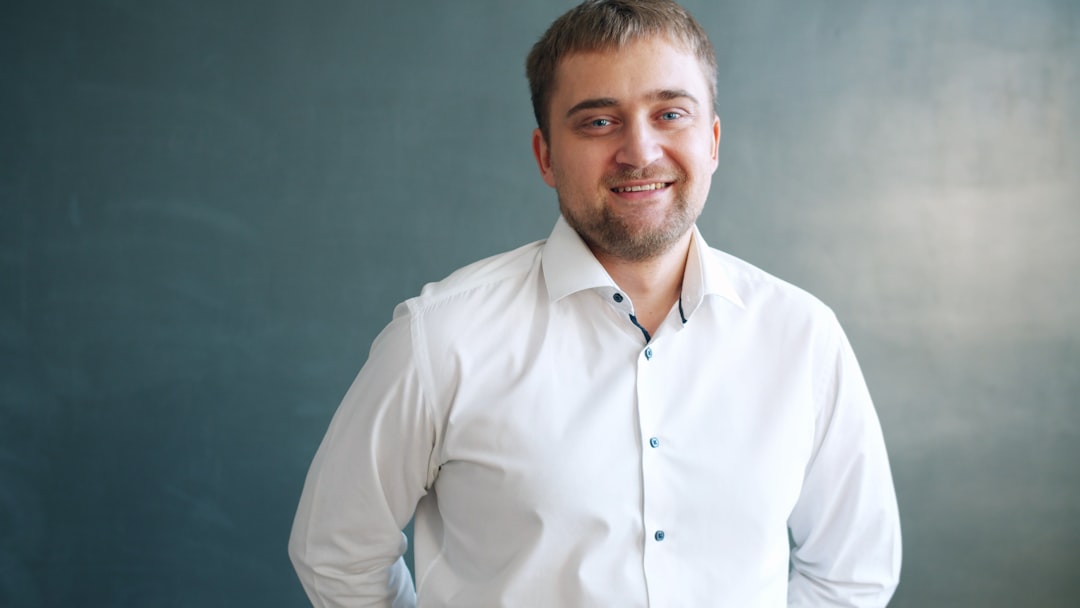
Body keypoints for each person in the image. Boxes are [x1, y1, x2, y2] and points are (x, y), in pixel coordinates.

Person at [288, 0, 902, 606]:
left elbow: (853, 574)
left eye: (670, 114)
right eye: (599, 122)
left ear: (712, 141)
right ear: (546, 157)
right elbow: (337, 553)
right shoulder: (441, 338)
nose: (640, 151)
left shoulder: (802, 337)